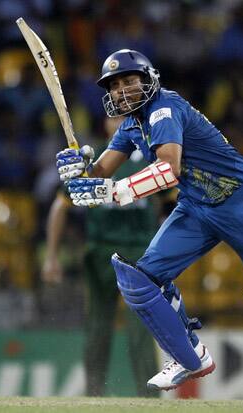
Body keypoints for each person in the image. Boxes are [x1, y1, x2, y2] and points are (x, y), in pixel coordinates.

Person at [54, 49, 243, 406]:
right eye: (115, 85)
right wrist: (80, 171)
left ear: (148, 79)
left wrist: (114, 191)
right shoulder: (130, 127)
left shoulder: (165, 109)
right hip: (198, 207)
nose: (122, 90)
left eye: (129, 81)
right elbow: (100, 173)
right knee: (140, 281)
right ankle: (189, 356)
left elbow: (169, 168)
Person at [42, 116, 159, 397]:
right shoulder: (93, 161)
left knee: (142, 330)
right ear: (105, 123)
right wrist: (51, 256)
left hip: (140, 254)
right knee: (97, 327)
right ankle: (94, 394)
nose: (118, 122)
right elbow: (60, 206)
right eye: (113, 117)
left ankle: (150, 398)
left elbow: (173, 204)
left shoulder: (153, 156)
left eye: (125, 117)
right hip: (101, 252)